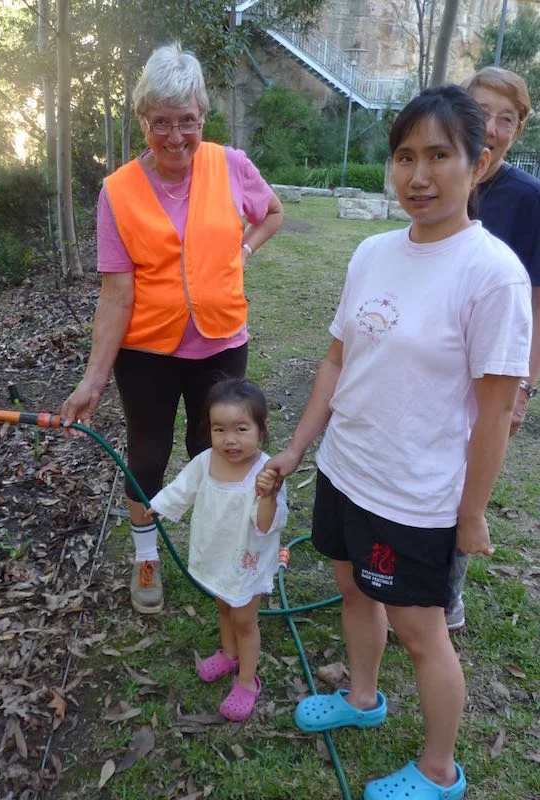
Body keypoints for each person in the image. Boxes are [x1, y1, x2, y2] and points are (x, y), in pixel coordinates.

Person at [266, 86, 531, 800]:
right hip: (346, 469)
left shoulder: (493, 275)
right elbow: (335, 360)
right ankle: (360, 698)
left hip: (415, 497)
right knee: (352, 588)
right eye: (405, 156)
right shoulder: (373, 253)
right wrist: (296, 449)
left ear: (478, 163)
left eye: (438, 156)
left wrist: (471, 514)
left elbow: (495, 412)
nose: (417, 176)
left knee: (422, 632)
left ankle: (440, 770)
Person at [60, 43, 284, 615]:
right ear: (143, 120)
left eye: (188, 120)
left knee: (215, 450)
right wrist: (93, 379)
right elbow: (116, 292)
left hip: (221, 341)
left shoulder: (231, 164)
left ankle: (226, 549)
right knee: (148, 456)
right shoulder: (117, 192)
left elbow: (272, 212)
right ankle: (146, 556)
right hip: (148, 350)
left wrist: (245, 247)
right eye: (162, 122)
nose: (177, 136)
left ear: (203, 116)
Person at [442, 66, 540, 631]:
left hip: (491, 370)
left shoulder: (527, 201)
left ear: (519, 131)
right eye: (482, 114)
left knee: (466, 479)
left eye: (508, 119)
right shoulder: (439, 177)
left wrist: (523, 387)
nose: (493, 129)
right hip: (434, 360)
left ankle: (447, 593)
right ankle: (394, 578)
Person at [146, 378, 288, 721]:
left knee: (244, 618)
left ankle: (246, 680)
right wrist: (161, 504)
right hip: (217, 550)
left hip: (246, 559)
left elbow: (267, 524)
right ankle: (228, 653)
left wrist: (268, 495)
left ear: (262, 429)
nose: (230, 440)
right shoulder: (206, 461)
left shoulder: (265, 472)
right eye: (219, 429)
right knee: (223, 603)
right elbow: (184, 487)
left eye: (241, 429)